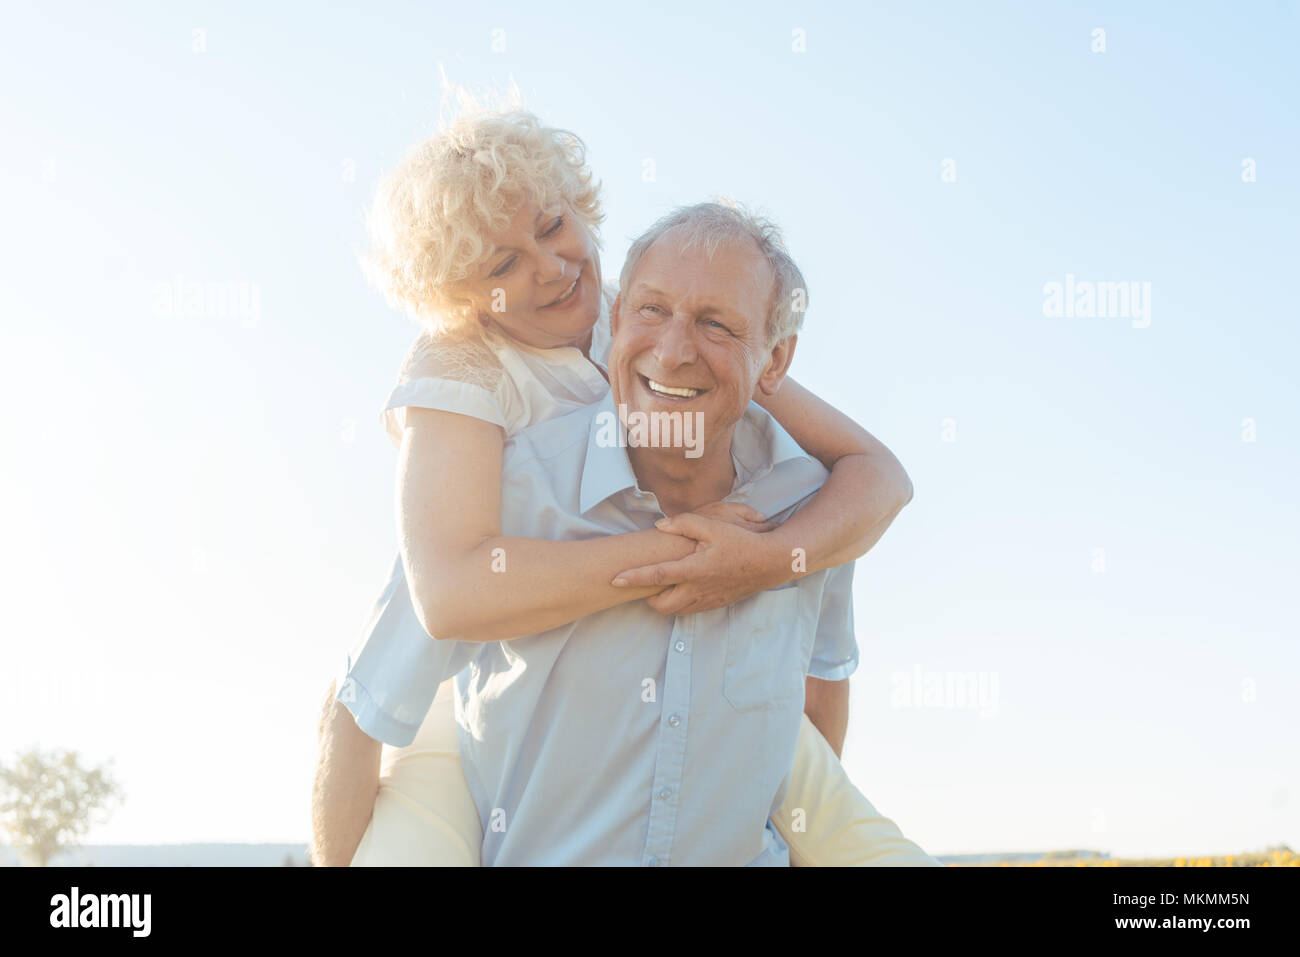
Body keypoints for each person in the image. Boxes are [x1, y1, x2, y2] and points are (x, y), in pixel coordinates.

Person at [311, 108, 928, 865]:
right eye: (501, 266)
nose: (548, 267)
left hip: (689, 660)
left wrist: (763, 561)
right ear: (463, 296)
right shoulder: (459, 375)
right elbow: (447, 593)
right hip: (491, 681)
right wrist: (684, 560)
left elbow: (879, 474)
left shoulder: (642, 314)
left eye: (552, 225)